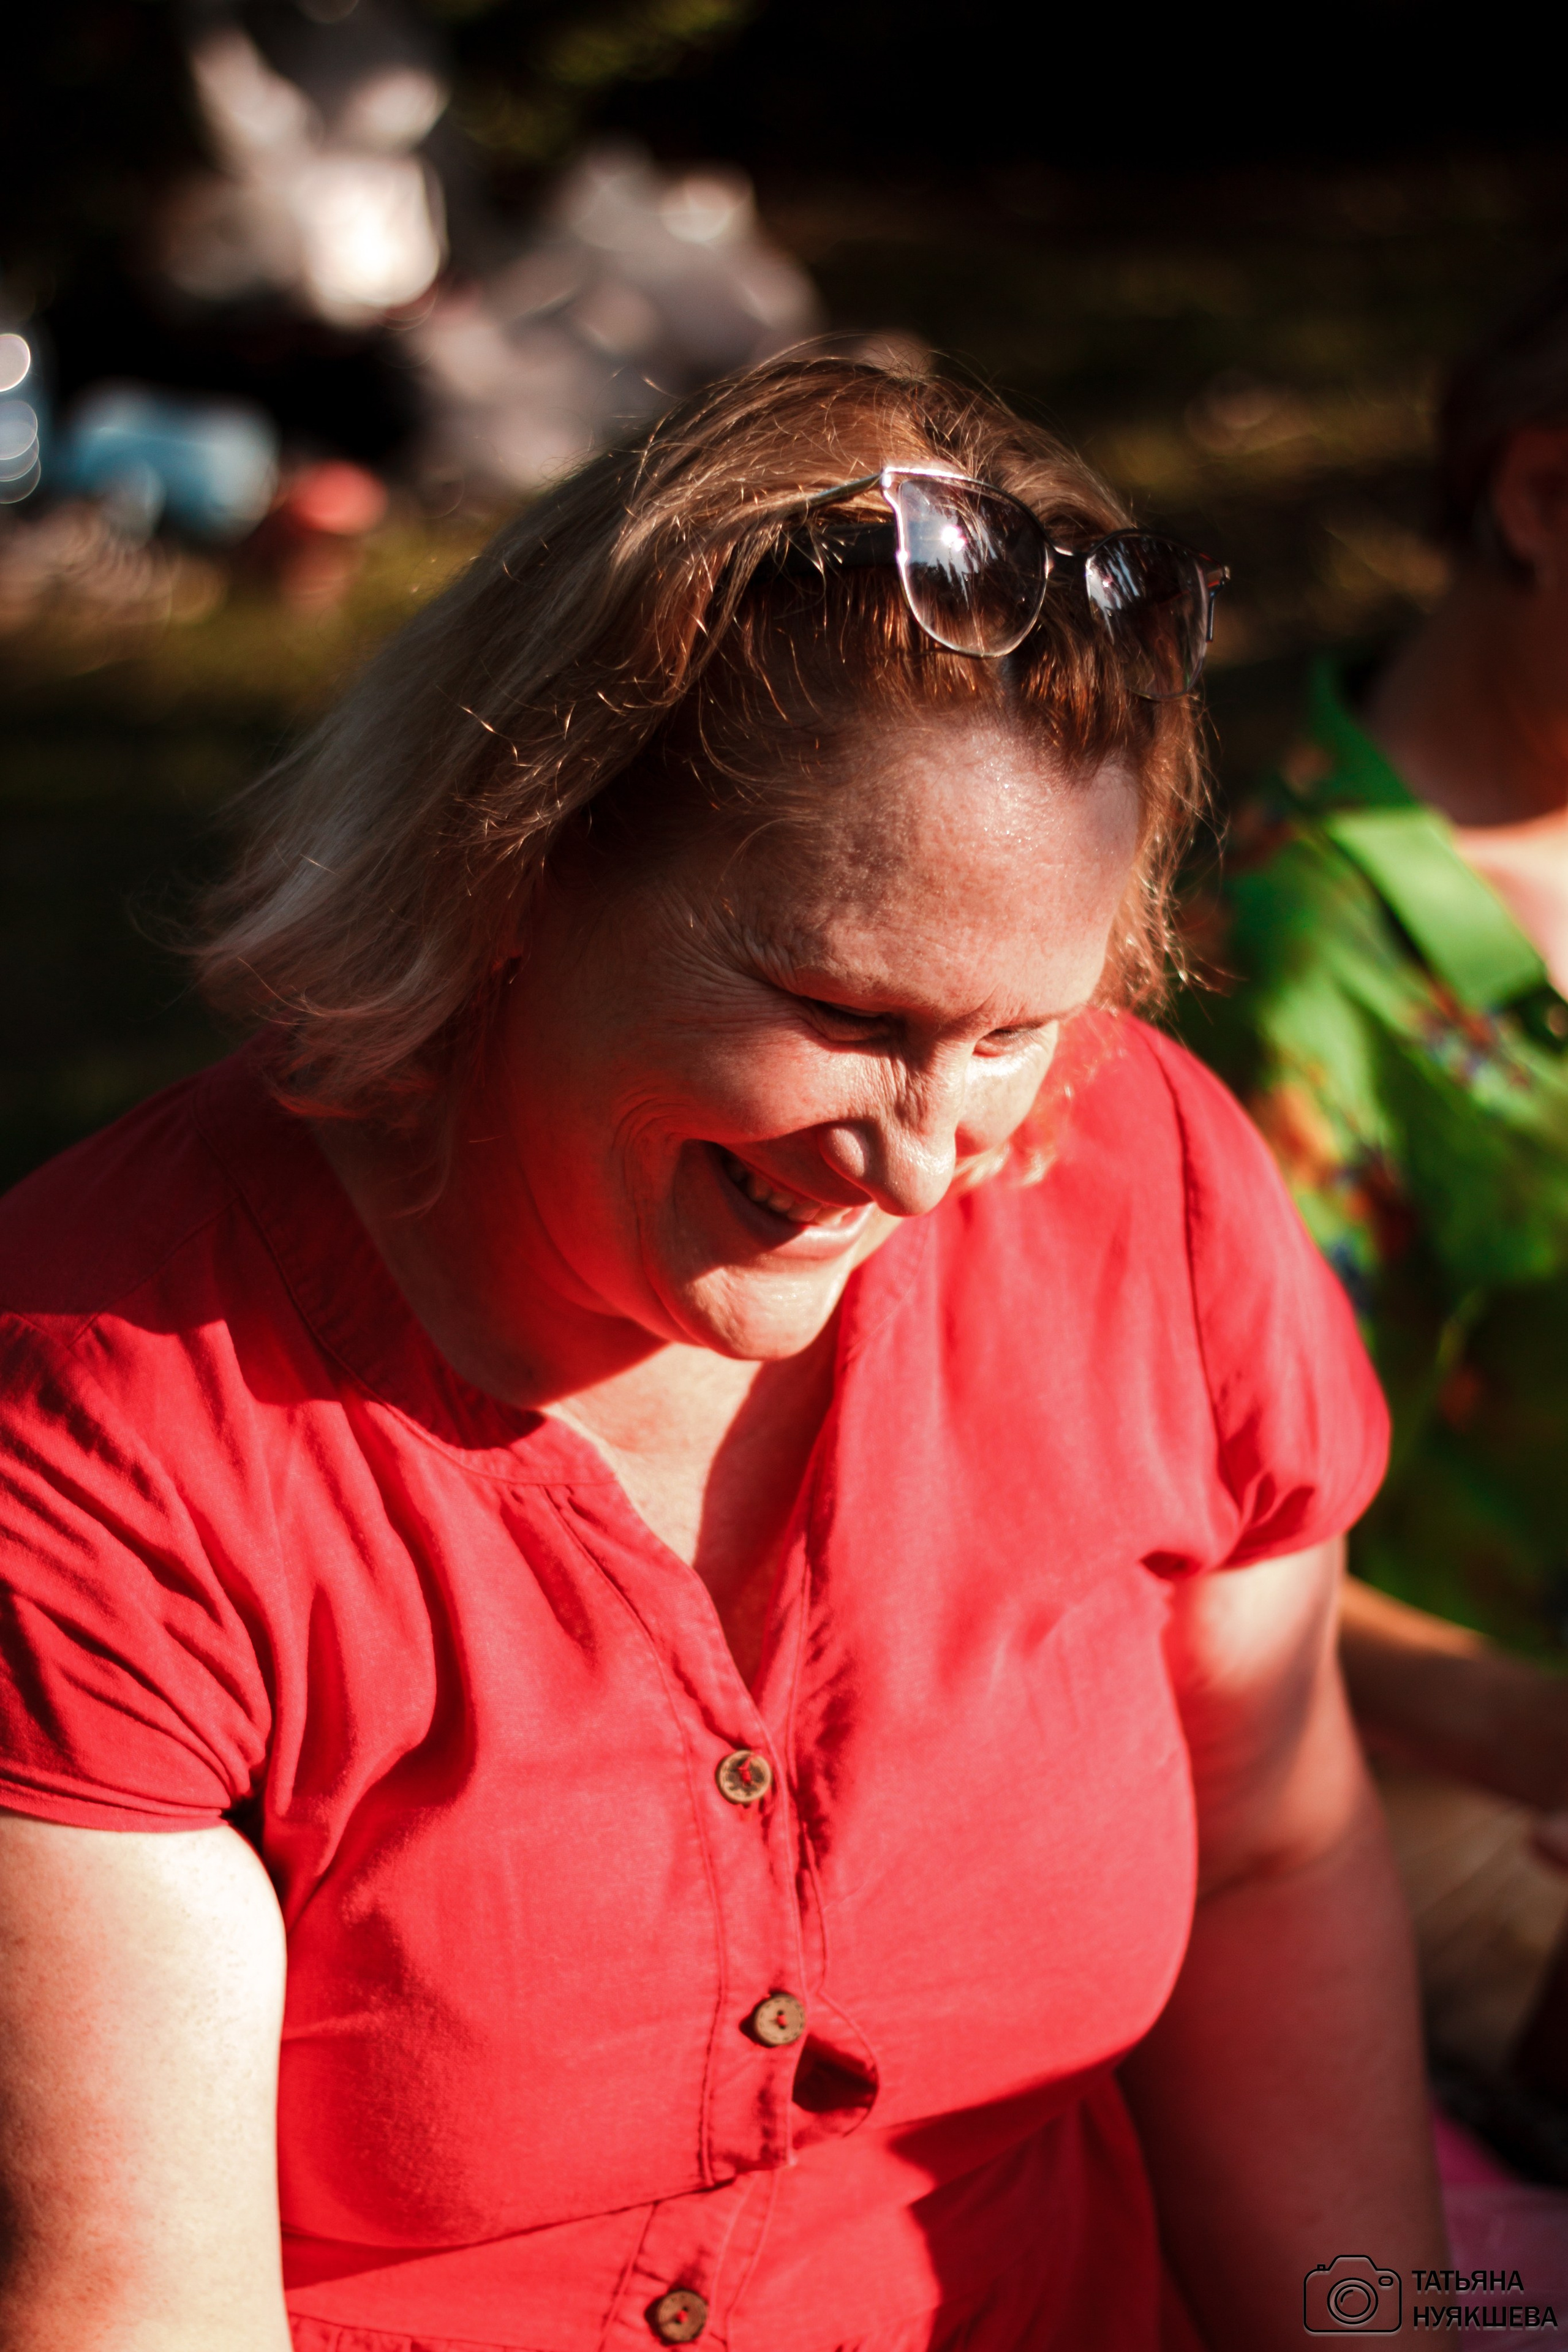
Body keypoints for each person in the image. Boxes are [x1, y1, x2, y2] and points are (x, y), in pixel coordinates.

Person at [0, 358, 1444, 2352]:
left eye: (1016, 1029)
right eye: (843, 1009)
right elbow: (128, 2312)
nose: (935, 1159)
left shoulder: (1150, 1187)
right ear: (517, 861)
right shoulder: (106, 1410)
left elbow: (1273, 1857)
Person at [1177, 277, 1568, 2106]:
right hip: (1432, 1772)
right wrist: (1527, 1730)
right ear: (1544, 500)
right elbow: (1213, 1548)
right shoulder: (1296, 966)